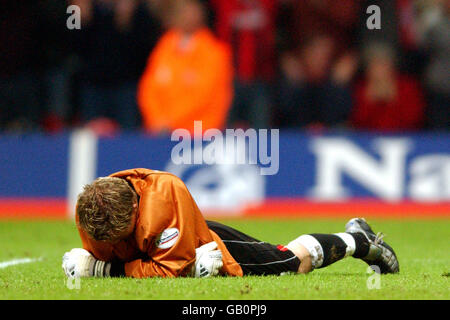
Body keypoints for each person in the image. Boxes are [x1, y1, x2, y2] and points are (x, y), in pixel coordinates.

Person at [62, 168, 399, 279]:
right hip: (174, 245)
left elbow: (170, 269)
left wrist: (101, 270)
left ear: (136, 208)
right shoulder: (89, 210)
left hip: (203, 242)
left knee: (287, 261)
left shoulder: (164, 197)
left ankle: (358, 240)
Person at [137, 0, 233, 135]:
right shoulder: (164, 48)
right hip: (161, 134)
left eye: (192, 11)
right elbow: (148, 88)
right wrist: (156, 119)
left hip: (200, 136)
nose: (187, 16)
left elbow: (203, 96)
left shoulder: (214, 52)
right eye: (182, 11)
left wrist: (170, 121)